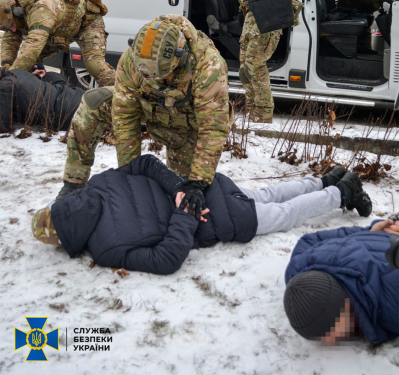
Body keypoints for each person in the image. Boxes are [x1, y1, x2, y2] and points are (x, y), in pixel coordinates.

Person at [32, 156, 372, 275]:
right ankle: (327, 180)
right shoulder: (98, 183)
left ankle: (342, 191)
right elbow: (147, 164)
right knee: (266, 195)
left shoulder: (104, 249)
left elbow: (166, 260)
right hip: (209, 191)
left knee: (283, 213)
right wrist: (182, 190)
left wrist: (184, 206)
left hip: (212, 216)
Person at [112, 14, 232, 216]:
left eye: (162, 76)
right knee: (93, 102)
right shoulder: (133, 59)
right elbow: (125, 116)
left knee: (181, 196)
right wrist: (129, 172)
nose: (157, 82)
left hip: (188, 126)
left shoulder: (208, 66)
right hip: (151, 109)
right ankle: (72, 183)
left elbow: (212, 128)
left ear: (180, 57)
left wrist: (197, 183)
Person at [284, 218, 399, 346]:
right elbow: (309, 240)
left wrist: (369, 232)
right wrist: (368, 233)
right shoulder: (300, 265)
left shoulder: (390, 305)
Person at [0, 0, 115, 86]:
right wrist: (6, 64)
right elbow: (10, 40)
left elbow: (33, 47)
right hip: (60, 27)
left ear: (17, 12)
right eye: (8, 28)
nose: (13, 29)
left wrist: (11, 77)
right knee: (31, 65)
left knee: (94, 65)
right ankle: (37, 95)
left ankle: (124, 94)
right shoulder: (13, 14)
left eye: (13, 25)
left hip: (88, 23)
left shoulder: (41, 10)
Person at [0, 65, 85, 133]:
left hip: (68, 114)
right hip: (80, 96)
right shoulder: (16, 72)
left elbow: (3, 126)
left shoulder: (4, 87)